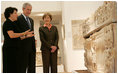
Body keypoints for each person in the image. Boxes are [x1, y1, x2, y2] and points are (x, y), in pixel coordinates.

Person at [2, 7, 33, 73]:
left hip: (16, 49)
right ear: (10, 14)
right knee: (11, 68)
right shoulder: (7, 23)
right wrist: (24, 33)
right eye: (15, 13)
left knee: (17, 68)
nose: (17, 15)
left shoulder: (14, 23)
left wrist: (26, 36)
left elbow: (19, 37)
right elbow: (12, 35)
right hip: (10, 50)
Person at [16, 3, 36, 73]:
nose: (29, 11)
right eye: (28, 9)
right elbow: (17, 35)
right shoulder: (18, 19)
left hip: (32, 48)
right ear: (23, 9)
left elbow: (32, 33)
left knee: (32, 68)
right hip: (22, 49)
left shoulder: (31, 20)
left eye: (30, 10)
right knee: (22, 68)